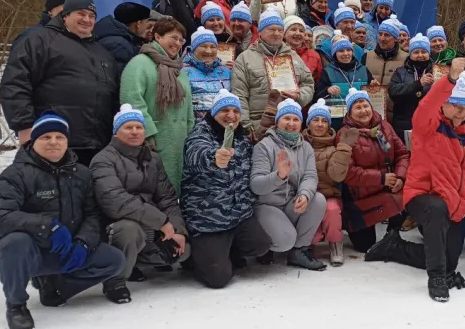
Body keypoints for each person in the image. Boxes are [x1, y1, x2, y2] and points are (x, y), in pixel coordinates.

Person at [365, 63, 465, 302]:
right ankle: (436, 278)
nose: (461, 112)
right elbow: (427, 104)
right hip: (422, 195)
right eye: (456, 105)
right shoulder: (428, 124)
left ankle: (395, 247)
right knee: (437, 211)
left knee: (450, 260)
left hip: (457, 203)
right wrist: (450, 80)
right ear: (444, 102)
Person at [0, 112, 125, 329]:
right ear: (34, 141)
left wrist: (84, 242)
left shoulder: (82, 174)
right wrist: (46, 226)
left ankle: (56, 286)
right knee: (15, 243)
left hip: (65, 248)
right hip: (29, 252)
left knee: (114, 260)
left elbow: (93, 215)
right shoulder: (16, 174)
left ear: (67, 141)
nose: (53, 142)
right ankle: (16, 305)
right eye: (46, 137)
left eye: (59, 137)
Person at [1, 0, 119, 166]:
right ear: (65, 15)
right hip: (53, 142)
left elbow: (113, 96)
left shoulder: (102, 53)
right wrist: (24, 126)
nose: (87, 19)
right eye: (81, 13)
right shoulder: (39, 40)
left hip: (96, 146)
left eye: (92, 16)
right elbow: (15, 84)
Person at [90, 105, 190, 303]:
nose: (135, 131)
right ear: (116, 132)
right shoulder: (103, 160)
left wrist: (178, 229)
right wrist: (160, 222)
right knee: (129, 230)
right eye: (128, 127)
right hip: (115, 225)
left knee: (184, 252)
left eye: (139, 127)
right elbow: (115, 201)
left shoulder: (152, 159)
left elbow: (167, 198)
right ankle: (115, 280)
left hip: (150, 224)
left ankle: (136, 261)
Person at [181, 90, 272, 288]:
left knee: (261, 244)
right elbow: (197, 154)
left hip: (238, 216)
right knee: (218, 279)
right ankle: (197, 258)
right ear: (213, 113)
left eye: (235, 111)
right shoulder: (200, 134)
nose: (231, 115)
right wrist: (214, 157)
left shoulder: (241, 138)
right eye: (224, 110)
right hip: (208, 221)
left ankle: (228, 251)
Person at [250, 99, 328, 271]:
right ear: (278, 121)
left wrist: (305, 195)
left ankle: (299, 250)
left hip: (290, 202)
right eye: (286, 118)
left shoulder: (306, 147)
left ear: (301, 123)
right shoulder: (264, 146)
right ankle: (268, 246)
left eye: (296, 119)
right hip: (267, 204)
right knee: (284, 240)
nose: (291, 123)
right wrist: (278, 176)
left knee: (318, 200)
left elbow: (310, 176)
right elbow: (256, 185)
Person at [120, 17, 194, 192]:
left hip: (180, 140)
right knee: (156, 189)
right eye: (172, 37)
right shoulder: (139, 64)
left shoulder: (180, 69)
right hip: (154, 140)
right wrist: (147, 133)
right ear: (157, 37)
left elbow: (188, 104)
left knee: (177, 189)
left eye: (180, 40)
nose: (177, 43)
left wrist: (191, 132)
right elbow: (132, 99)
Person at [337, 87, 410, 253]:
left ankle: (393, 232)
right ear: (349, 112)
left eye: (365, 106)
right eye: (357, 107)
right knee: (365, 246)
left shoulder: (384, 127)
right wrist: (381, 178)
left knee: (412, 195)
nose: (363, 111)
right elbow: (348, 173)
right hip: (361, 195)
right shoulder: (345, 134)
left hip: (388, 188)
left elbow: (402, 154)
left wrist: (400, 177)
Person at [232, 8, 315, 138]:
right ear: (260, 32)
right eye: (271, 29)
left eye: (280, 30)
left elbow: (308, 84)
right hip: (258, 125)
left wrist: (299, 96)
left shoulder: (293, 57)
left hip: (289, 123)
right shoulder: (245, 59)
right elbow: (239, 95)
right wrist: (246, 127)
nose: (277, 33)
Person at [304, 99, 358, 267]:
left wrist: (343, 151)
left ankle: (336, 243)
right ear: (308, 123)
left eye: (324, 121)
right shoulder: (301, 145)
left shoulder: (333, 149)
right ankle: (309, 242)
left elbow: (337, 176)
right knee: (312, 231)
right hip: (307, 197)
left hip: (329, 196)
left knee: (332, 210)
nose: (320, 124)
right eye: (316, 120)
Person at [314, 31, 373, 129]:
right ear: (335, 53)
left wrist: (375, 86)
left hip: (362, 120)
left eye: (348, 50)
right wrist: (327, 90)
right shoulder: (328, 71)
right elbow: (317, 96)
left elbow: (373, 93)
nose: (346, 54)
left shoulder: (363, 69)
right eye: (341, 51)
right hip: (338, 122)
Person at [389, 33, 436, 142]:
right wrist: (417, 84)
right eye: (416, 52)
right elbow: (393, 92)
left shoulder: (437, 72)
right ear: (410, 54)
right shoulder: (400, 72)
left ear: (429, 53)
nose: (420, 55)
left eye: (424, 52)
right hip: (404, 123)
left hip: (430, 123)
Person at [362, 15, 409, 122]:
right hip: (369, 112)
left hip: (395, 114)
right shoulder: (367, 56)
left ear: (396, 38)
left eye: (387, 35)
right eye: (380, 34)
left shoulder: (406, 59)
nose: (382, 38)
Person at [183, 27, 233, 120]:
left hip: (223, 127)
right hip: (194, 129)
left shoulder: (227, 71)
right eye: (203, 46)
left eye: (213, 47)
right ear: (193, 49)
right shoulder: (182, 71)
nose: (208, 51)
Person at [94, 2, 155, 74]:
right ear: (138, 24)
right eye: (148, 25)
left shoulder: (109, 33)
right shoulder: (120, 46)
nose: (151, 30)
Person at [283, 15, 323, 83]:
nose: (298, 33)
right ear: (284, 34)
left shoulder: (314, 55)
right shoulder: (276, 53)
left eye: (301, 31)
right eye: (293, 29)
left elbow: (318, 81)